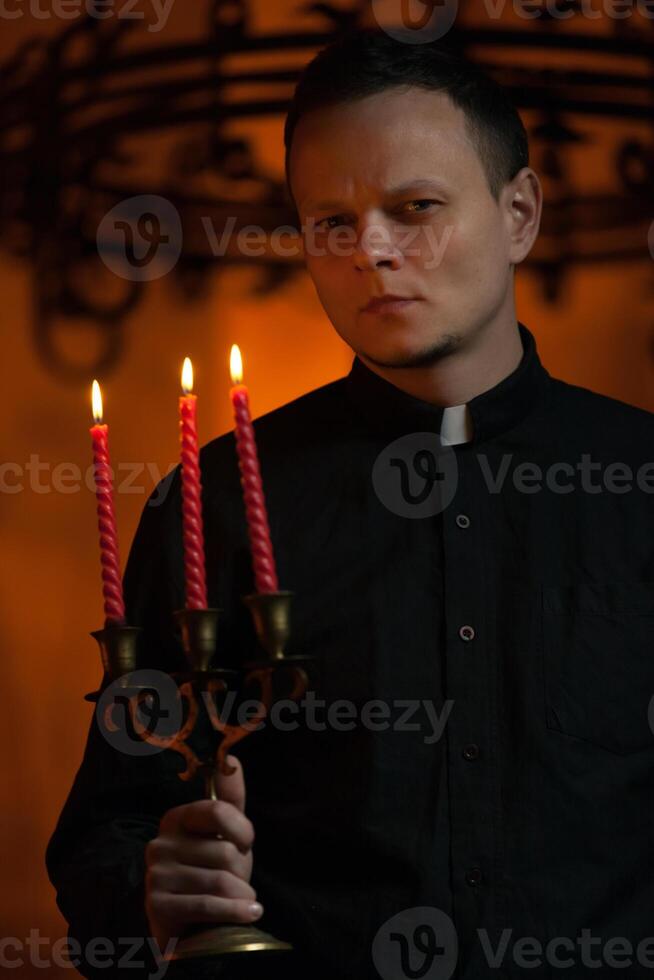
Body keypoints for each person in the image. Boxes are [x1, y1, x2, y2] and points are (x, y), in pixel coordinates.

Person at [46, 27, 654, 980]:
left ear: (522, 213)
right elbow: (105, 836)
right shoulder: (209, 503)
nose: (370, 250)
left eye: (414, 208)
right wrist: (150, 894)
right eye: (331, 221)